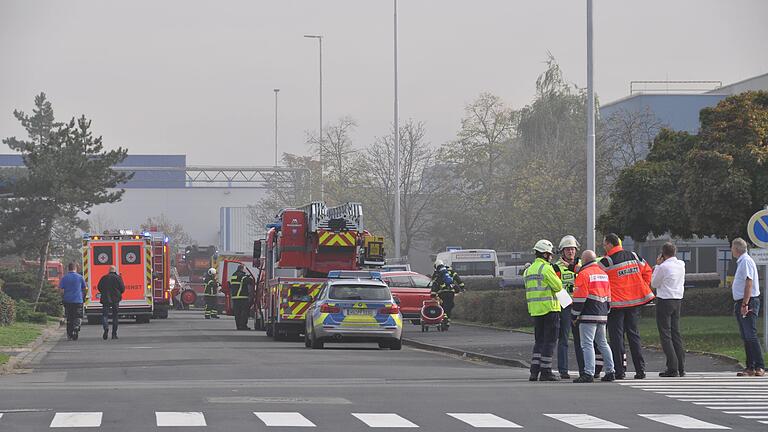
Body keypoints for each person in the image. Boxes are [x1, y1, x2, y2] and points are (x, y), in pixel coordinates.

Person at [600, 233, 654, 380]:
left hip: (616, 305)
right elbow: (648, 271)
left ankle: (620, 371)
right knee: (634, 336)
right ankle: (640, 370)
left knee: (617, 339)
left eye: (604, 244)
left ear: (610, 244)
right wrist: (641, 286)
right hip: (634, 303)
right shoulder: (635, 256)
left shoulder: (607, 262)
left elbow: (599, 280)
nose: (604, 247)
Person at [571, 250, 615, 383]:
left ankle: (588, 373)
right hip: (602, 313)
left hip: (588, 314)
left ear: (584, 260)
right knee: (602, 343)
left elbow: (580, 297)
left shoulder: (584, 274)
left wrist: (574, 315)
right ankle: (610, 371)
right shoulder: (603, 274)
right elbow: (608, 295)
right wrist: (606, 310)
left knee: (587, 344)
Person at [524, 239, 563, 382]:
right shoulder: (547, 269)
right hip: (550, 310)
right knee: (550, 341)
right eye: (550, 254)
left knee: (539, 341)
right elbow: (558, 287)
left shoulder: (528, 270)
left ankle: (534, 371)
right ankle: (546, 371)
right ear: (545, 254)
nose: (551, 257)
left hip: (535, 311)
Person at [731, 238, 764, 377]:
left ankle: (760, 366)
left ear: (737, 249)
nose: (731, 250)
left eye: (732, 247)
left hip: (748, 302)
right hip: (742, 301)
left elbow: (748, 283)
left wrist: (745, 303)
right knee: (746, 336)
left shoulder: (745, 261)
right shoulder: (742, 261)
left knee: (750, 335)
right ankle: (750, 366)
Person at [652, 242, 686, 377]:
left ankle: (672, 367)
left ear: (663, 253)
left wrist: (657, 266)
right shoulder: (681, 264)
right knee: (675, 333)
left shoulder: (663, 267)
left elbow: (654, 283)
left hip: (665, 300)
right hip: (677, 300)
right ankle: (681, 367)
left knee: (665, 335)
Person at [554, 235, 581, 379]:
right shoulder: (556, 267)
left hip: (581, 306)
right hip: (565, 307)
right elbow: (555, 287)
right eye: (568, 249)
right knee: (564, 338)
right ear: (562, 251)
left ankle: (584, 369)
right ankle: (563, 370)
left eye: (572, 249)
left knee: (582, 340)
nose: (571, 252)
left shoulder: (582, 265)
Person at [430, 260, 465, 326]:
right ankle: (447, 320)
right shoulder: (450, 272)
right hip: (451, 292)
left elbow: (434, 284)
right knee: (450, 305)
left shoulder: (437, 273)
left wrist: (433, 294)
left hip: (442, 293)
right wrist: (462, 288)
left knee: (443, 305)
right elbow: (458, 280)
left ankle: (444, 317)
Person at [59, 263, 86, 341]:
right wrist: (83, 297)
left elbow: (61, 290)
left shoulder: (64, 278)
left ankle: (69, 334)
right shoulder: (80, 277)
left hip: (67, 300)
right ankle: (76, 327)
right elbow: (84, 288)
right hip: (78, 300)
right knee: (78, 316)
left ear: (68, 268)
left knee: (69, 318)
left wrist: (62, 297)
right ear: (75, 268)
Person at [97, 265, 125, 340]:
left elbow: (99, 287)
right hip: (115, 300)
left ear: (109, 271)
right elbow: (122, 289)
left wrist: (104, 292)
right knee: (115, 316)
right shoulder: (118, 278)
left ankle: (106, 328)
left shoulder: (104, 278)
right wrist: (118, 293)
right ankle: (114, 334)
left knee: (105, 315)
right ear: (115, 271)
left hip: (105, 299)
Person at [230, 264, 252, 330]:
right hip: (242, 297)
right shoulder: (242, 276)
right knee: (244, 312)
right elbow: (250, 281)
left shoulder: (233, 276)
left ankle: (238, 326)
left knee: (237, 313)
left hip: (235, 297)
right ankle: (243, 326)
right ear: (242, 269)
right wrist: (248, 277)